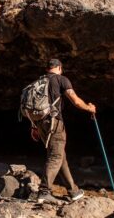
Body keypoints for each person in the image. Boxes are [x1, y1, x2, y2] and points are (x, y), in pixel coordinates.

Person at [32, 59, 96, 204]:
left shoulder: (39, 82)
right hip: (55, 123)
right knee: (55, 156)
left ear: (47, 68)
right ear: (60, 68)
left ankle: (73, 191)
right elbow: (76, 101)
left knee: (60, 156)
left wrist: (34, 126)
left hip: (40, 123)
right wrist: (89, 108)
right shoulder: (61, 79)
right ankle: (44, 191)